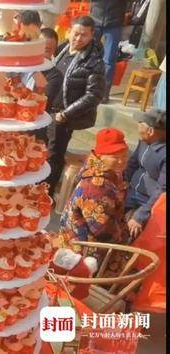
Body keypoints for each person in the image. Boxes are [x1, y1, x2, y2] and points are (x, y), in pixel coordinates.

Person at [45, 16, 106, 196]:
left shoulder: (94, 61)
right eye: (76, 34)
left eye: (84, 35)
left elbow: (94, 95)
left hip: (64, 116)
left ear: (91, 35)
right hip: (48, 108)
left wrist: (66, 114)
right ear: (69, 31)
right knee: (42, 150)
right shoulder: (62, 47)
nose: (78, 39)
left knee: (54, 154)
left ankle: (46, 194)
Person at [59, 128, 130, 266]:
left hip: (83, 233)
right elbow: (102, 231)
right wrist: (124, 238)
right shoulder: (96, 186)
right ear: (101, 156)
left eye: (124, 156)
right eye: (115, 157)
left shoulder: (103, 169)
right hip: (83, 248)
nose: (121, 161)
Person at [124, 109, 166, 240]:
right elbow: (132, 164)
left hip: (148, 201)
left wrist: (140, 215)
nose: (137, 125)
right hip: (131, 192)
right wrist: (122, 184)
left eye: (141, 122)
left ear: (151, 131)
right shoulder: (144, 141)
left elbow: (162, 189)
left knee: (133, 232)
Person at [90, 0, 129, 103]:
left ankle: (103, 93)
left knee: (109, 61)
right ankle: (84, 87)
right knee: (89, 55)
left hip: (115, 22)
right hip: (95, 18)